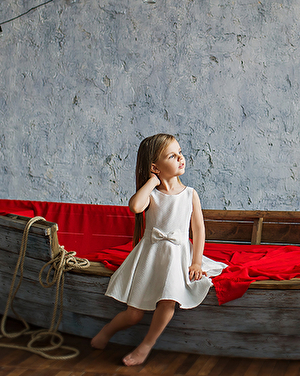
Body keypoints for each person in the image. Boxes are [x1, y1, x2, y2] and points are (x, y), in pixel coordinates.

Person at [90, 133, 225, 366]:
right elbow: (135, 206)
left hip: (177, 255)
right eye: (172, 156)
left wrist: (196, 261)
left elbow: (198, 230)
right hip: (152, 256)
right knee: (134, 314)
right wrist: (152, 181)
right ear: (155, 167)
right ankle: (107, 331)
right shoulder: (152, 194)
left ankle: (145, 346)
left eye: (180, 153)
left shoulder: (190, 194)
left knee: (168, 299)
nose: (180, 158)